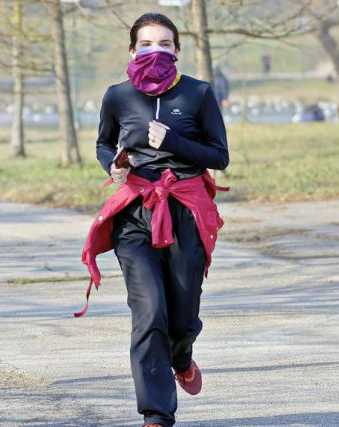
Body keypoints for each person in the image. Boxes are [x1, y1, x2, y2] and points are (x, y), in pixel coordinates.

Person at [80, 12, 229, 427]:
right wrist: (112, 166)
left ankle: (181, 354)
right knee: (149, 312)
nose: (155, 51)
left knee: (182, 315)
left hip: (185, 209)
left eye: (164, 44)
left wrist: (175, 140)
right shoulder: (117, 96)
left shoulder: (198, 94)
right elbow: (103, 144)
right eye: (146, 44)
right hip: (136, 211)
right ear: (131, 50)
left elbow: (219, 156)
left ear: (177, 51)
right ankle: (156, 415)